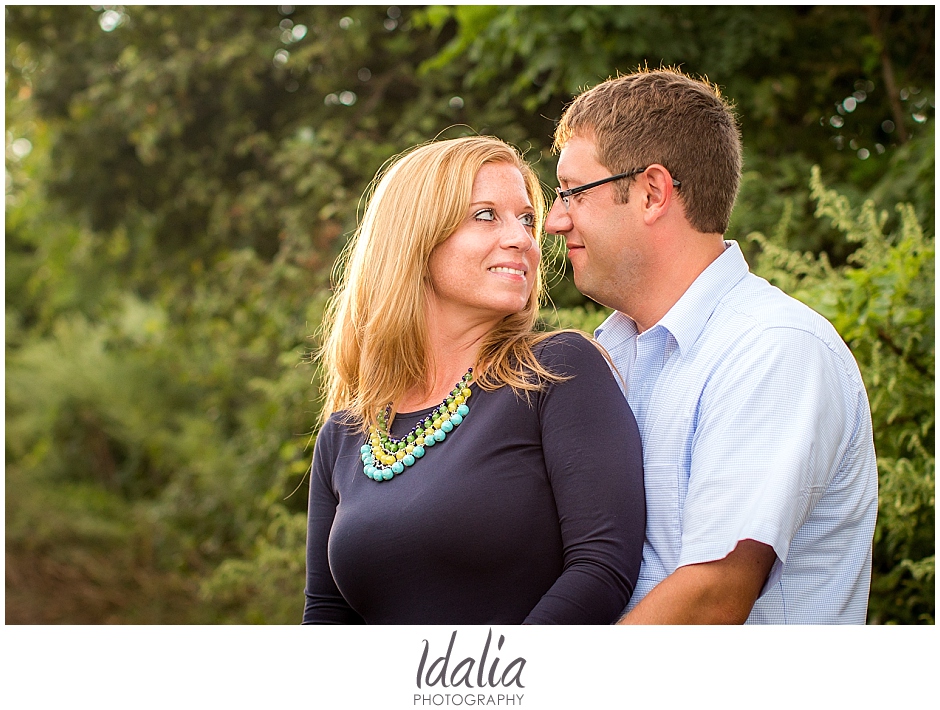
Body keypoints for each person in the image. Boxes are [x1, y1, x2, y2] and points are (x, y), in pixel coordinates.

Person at [545, 69, 878, 624]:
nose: (556, 220)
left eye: (573, 193)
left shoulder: (772, 350)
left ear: (653, 192)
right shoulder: (611, 353)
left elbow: (713, 596)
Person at [303, 135, 645, 624]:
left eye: (526, 218)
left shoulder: (556, 372)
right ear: (416, 238)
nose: (523, 238)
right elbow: (325, 614)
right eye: (486, 215)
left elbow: (601, 567)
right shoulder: (344, 433)